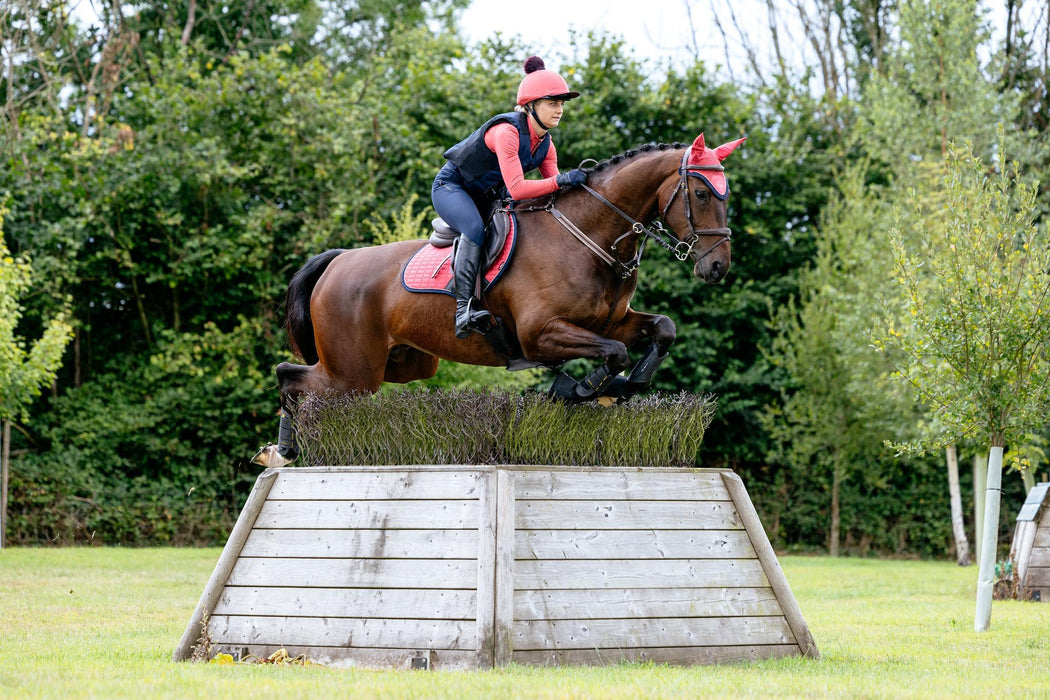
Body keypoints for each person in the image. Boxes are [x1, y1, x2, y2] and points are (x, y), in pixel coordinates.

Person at [432, 56, 588, 338]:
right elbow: (518, 188)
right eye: (553, 103)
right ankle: (463, 310)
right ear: (531, 106)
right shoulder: (507, 132)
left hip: (488, 195)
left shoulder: (546, 146)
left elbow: (556, 190)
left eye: (562, 104)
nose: (560, 110)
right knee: (474, 228)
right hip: (452, 187)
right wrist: (561, 179)